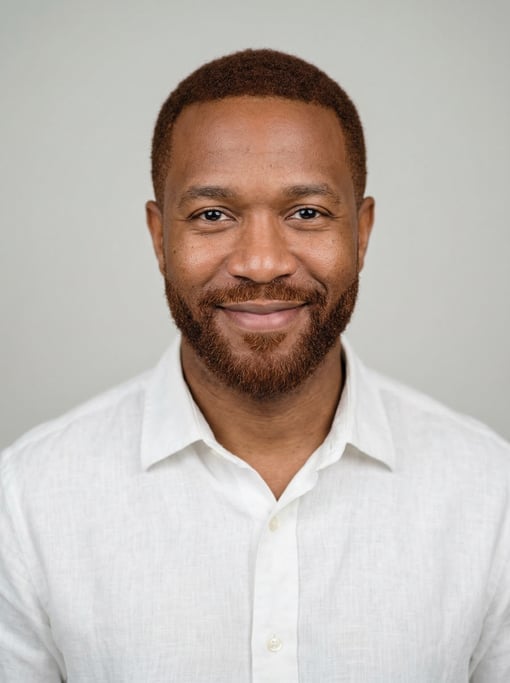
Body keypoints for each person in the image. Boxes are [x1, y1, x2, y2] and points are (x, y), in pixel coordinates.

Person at [0, 48, 509, 683]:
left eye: (307, 213)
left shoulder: (492, 496)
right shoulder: (26, 503)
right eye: (213, 215)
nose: (262, 263)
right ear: (160, 238)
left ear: (363, 231)